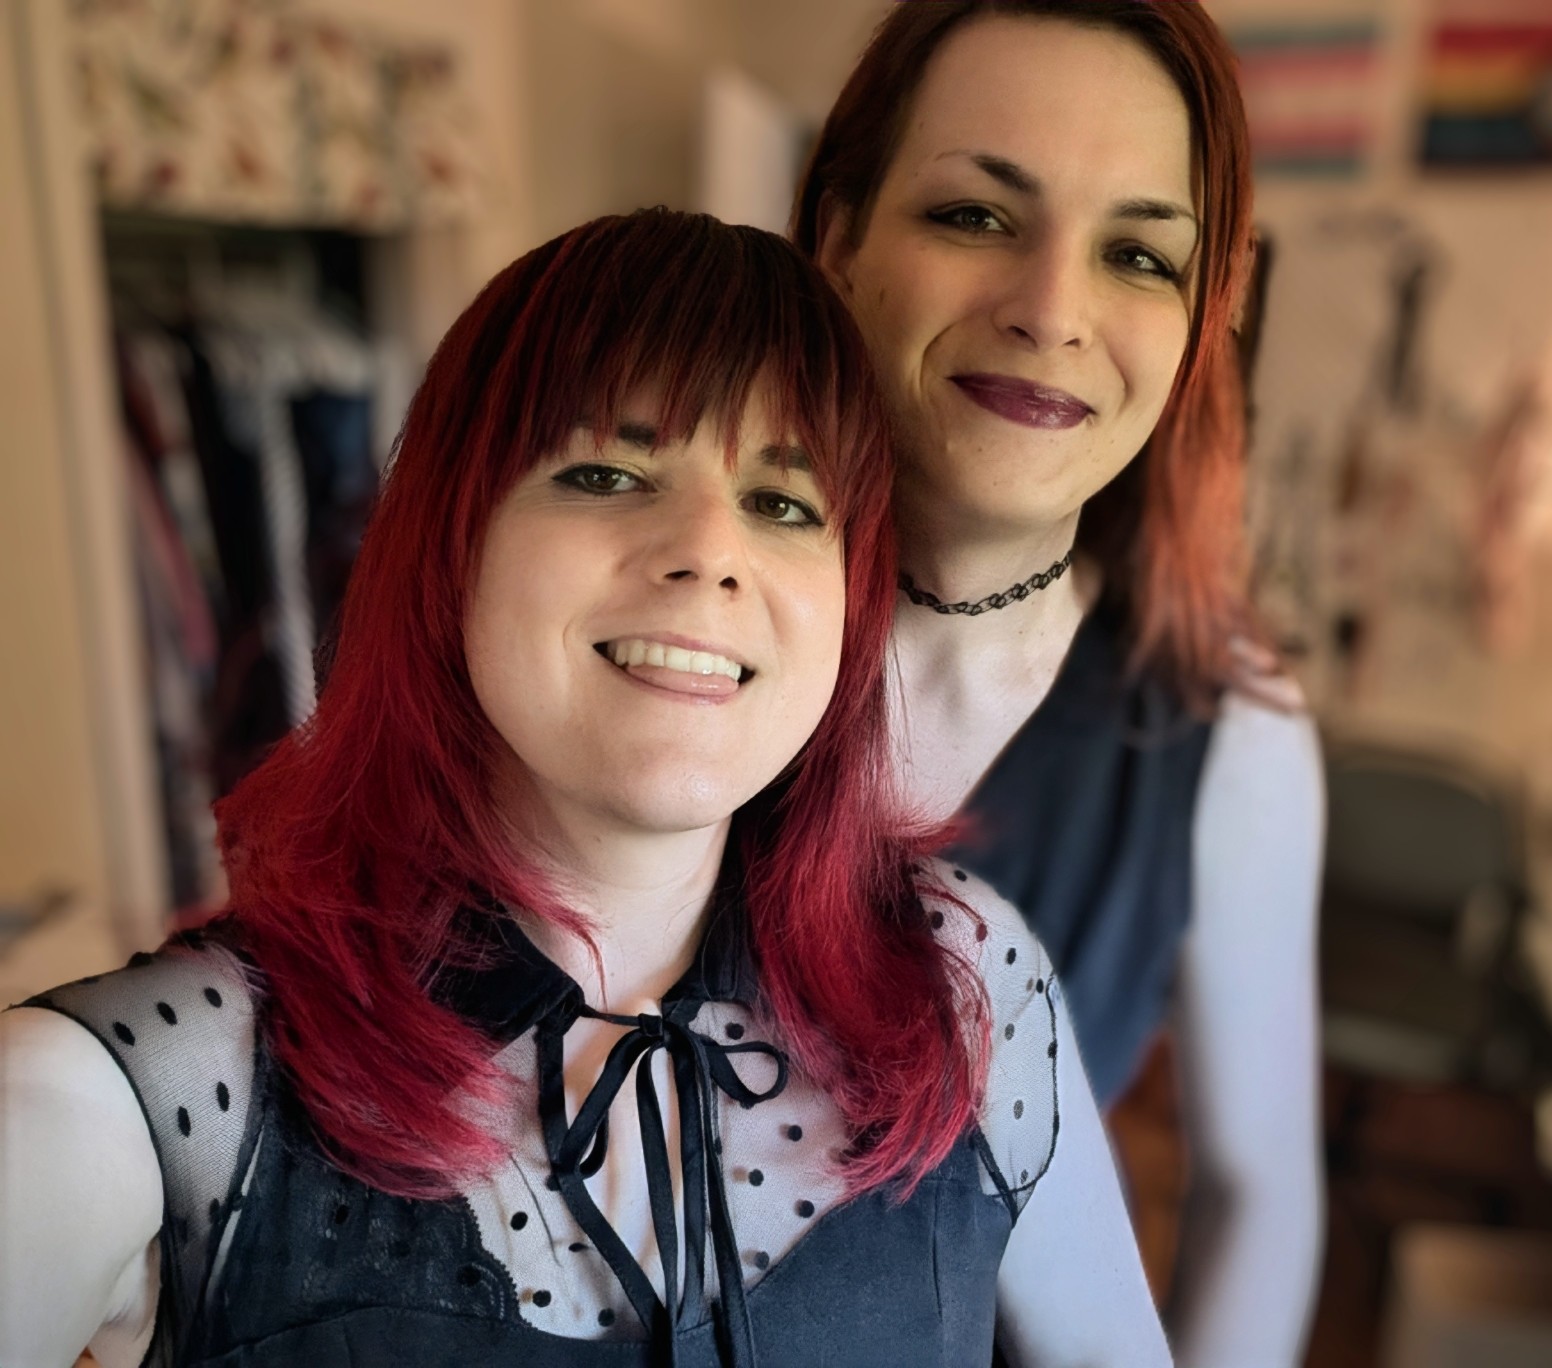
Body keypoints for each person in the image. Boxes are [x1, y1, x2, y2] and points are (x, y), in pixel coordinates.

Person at [0, 211, 1166, 1368]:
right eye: (605, 471)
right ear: (452, 547)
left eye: (783, 502)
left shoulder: (969, 984)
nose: (711, 550)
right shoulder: (144, 1096)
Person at [794, 3, 1326, 1363]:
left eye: (1139, 253)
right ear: (838, 238)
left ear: (1208, 317)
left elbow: (1260, 1189)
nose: (1050, 311)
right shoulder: (663, 629)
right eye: (976, 216)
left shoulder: (1225, 734)